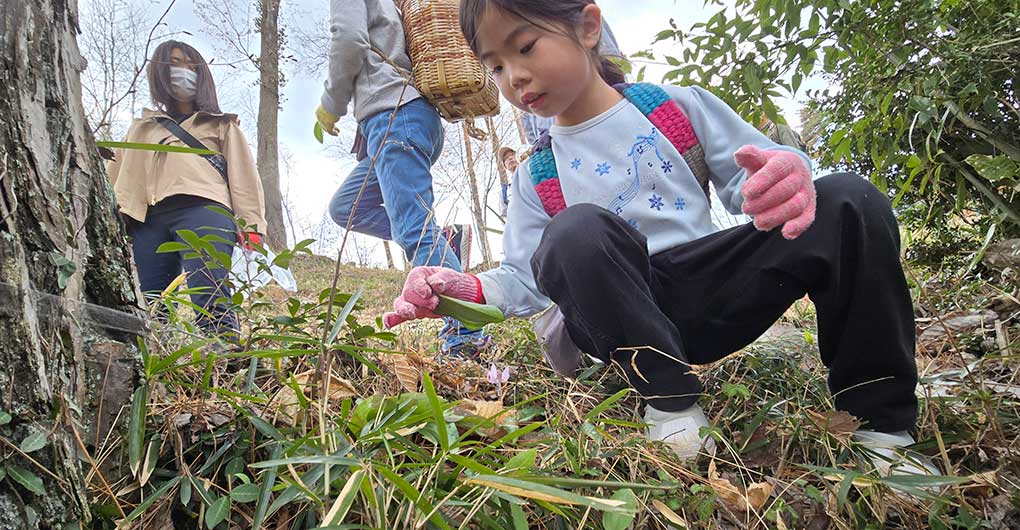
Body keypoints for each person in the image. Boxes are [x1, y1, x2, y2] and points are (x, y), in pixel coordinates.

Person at [383, 0, 936, 476]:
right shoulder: (535, 175)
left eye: (525, 47)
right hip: (616, 318)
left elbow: (757, 175)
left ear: (588, 26)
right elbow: (526, 278)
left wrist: (785, 174)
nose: (514, 78)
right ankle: (669, 404)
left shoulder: (676, 108)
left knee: (846, 198)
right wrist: (465, 288)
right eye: (495, 66)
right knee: (575, 230)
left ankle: (880, 423)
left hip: (710, 291)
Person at [315, 0, 490, 358]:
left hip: (394, 115)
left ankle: (467, 336)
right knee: (347, 208)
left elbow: (347, 39)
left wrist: (331, 104)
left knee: (415, 231)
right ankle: (445, 243)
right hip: (406, 119)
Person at [107, 40, 266, 341]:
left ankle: (225, 363)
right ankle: (158, 367)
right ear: (160, 74)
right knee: (149, 301)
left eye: (191, 64)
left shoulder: (221, 126)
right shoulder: (141, 128)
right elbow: (114, 176)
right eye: (175, 63)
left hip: (204, 210)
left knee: (209, 291)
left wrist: (252, 225)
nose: (184, 70)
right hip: (146, 218)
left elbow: (245, 176)